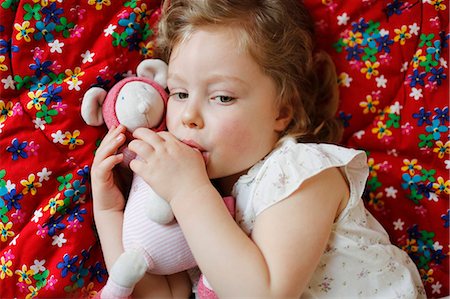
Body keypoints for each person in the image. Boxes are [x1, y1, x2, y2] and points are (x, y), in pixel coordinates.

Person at [91, 0, 426, 297]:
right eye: (179, 93)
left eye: (222, 97)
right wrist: (109, 212)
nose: (189, 116)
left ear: (282, 110)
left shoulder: (301, 171)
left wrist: (187, 193)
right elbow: (160, 293)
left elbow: (264, 293)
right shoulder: (202, 200)